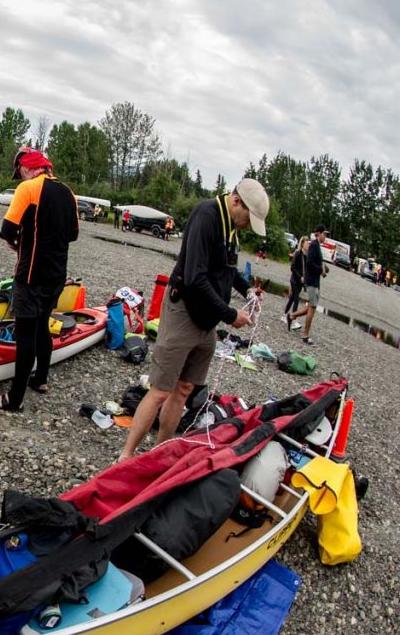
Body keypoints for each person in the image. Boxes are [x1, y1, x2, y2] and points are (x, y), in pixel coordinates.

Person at [118, 179, 270, 460]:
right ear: (236, 201)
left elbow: (228, 270)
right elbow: (195, 278)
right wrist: (229, 315)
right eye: (249, 220)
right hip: (184, 311)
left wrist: (247, 288)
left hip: (207, 319)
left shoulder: (232, 228)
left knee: (185, 388)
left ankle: (160, 452)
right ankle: (126, 454)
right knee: (161, 389)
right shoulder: (207, 216)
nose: (248, 227)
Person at [0, 148, 79, 412]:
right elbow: (72, 235)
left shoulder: (28, 189)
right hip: (57, 273)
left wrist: (20, 241)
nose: (20, 178)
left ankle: (15, 399)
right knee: (42, 326)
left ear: (26, 167)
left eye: (20, 172)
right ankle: (41, 379)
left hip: (30, 274)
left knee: (25, 332)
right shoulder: (68, 192)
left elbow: (7, 230)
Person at [286, 224, 327, 345]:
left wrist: (324, 269)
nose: (326, 237)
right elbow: (309, 263)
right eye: (324, 234)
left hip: (315, 281)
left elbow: (315, 263)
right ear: (318, 233)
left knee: (310, 307)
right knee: (312, 309)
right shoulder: (314, 245)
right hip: (312, 282)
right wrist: (320, 270)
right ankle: (305, 335)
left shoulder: (317, 246)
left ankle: (291, 316)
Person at [284, 236, 309, 318]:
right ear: (302, 244)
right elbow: (292, 267)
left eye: (308, 244)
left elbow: (306, 269)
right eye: (306, 243)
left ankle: (285, 314)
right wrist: (299, 276)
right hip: (294, 280)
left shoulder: (307, 256)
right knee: (296, 299)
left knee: (292, 298)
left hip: (301, 282)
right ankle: (293, 318)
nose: (308, 245)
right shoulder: (298, 254)